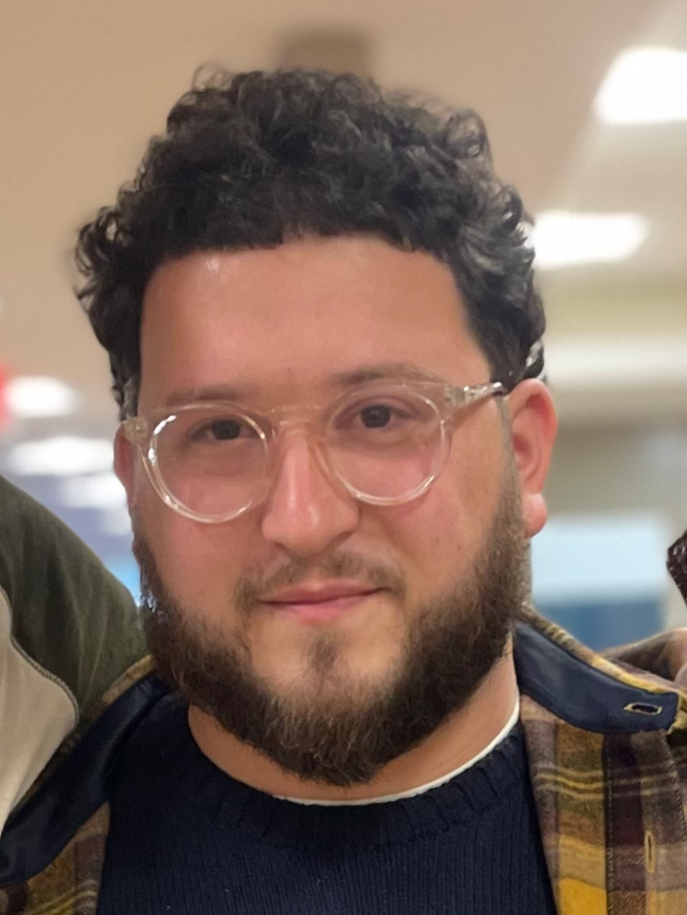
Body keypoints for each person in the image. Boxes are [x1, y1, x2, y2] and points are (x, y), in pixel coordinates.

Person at [2, 68, 687, 915]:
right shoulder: (31, 857)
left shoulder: (667, 806)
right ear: (137, 486)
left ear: (522, 455)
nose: (303, 519)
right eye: (217, 431)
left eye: (378, 415)